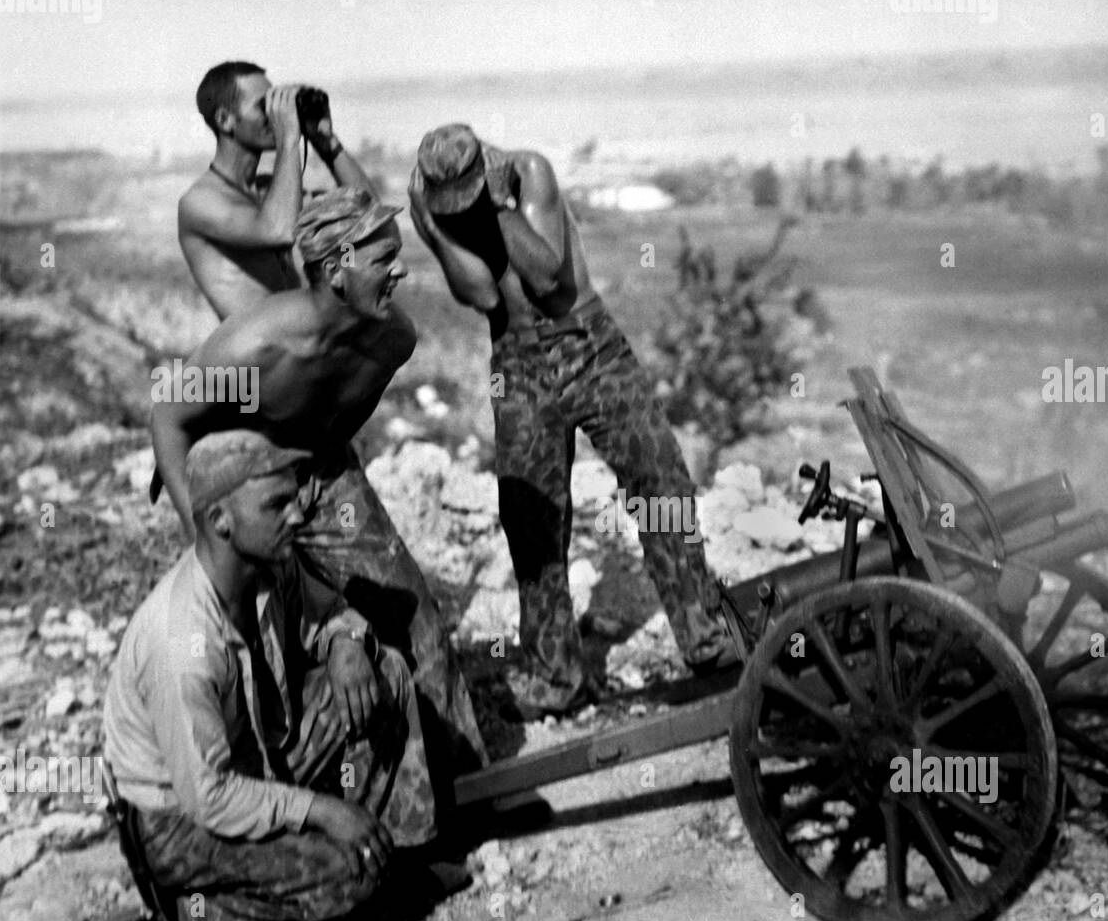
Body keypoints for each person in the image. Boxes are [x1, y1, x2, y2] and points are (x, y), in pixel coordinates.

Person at [152, 186, 490, 783]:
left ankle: (462, 780)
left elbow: (341, 421)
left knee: (412, 618)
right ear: (336, 270)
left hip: (327, 472)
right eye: (383, 259)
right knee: (253, 648)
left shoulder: (391, 340)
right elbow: (169, 416)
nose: (400, 270)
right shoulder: (256, 347)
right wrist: (200, 527)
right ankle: (256, 796)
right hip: (250, 483)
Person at [407, 123, 735, 720]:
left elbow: (547, 276)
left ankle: (704, 636)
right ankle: (556, 673)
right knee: (531, 518)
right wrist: (434, 229)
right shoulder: (438, 206)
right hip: (517, 361)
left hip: (588, 344)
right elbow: (483, 296)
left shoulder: (529, 173)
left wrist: (498, 209)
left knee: (658, 481)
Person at [104, 430, 444, 921]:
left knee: (387, 674)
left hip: (255, 756)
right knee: (348, 874)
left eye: (294, 497)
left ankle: (401, 853)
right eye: (276, 504)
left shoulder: (271, 564)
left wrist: (346, 642)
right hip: (180, 822)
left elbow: (328, 614)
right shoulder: (183, 644)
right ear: (221, 520)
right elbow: (208, 796)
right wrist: (321, 811)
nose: (297, 515)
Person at [178, 60, 376, 321]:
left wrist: (326, 141)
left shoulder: (272, 191)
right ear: (225, 120)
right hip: (257, 356)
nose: (276, 116)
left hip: (300, 347)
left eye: (277, 104)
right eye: (265, 107)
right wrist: (289, 137)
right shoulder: (200, 201)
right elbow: (279, 231)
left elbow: (369, 212)